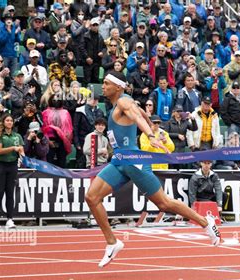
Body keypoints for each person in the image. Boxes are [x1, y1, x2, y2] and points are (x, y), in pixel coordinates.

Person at [86, 71, 221, 268]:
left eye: (106, 83)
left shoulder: (124, 102)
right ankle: (113, 242)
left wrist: (150, 135)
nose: (103, 86)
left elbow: (135, 114)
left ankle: (206, 223)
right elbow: (141, 113)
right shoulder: (120, 103)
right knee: (91, 197)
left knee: (164, 204)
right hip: (119, 161)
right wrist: (150, 125)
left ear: (118, 86)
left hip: (133, 160)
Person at [0, 114, 24, 229]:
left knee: (10, 193)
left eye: (11, 120)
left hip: (13, 166)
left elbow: (21, 150)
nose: (9, 122)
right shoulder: (0, 135)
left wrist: (22, 154)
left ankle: (10, 219)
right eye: (7, 120)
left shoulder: (17, 136)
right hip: (1, 165)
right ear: (3, 122)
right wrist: (13, 149)